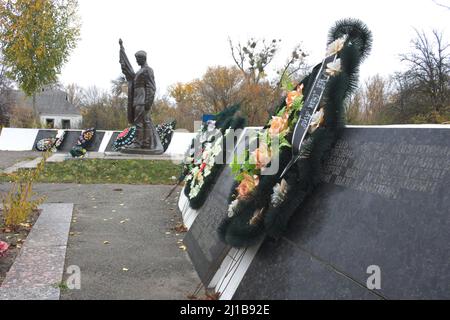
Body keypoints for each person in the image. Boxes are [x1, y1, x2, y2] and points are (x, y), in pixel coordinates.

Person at [119, 39, 164, 154]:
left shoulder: (147, 70)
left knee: (140, 122)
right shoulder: (140, 71)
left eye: (137, 59)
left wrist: (147, 103)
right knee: (144, 121)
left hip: (142, 101)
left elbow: (152, 87)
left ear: (142, 59)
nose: (136, 61)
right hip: (138, 100)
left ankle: (139, 143)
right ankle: (145, 143)